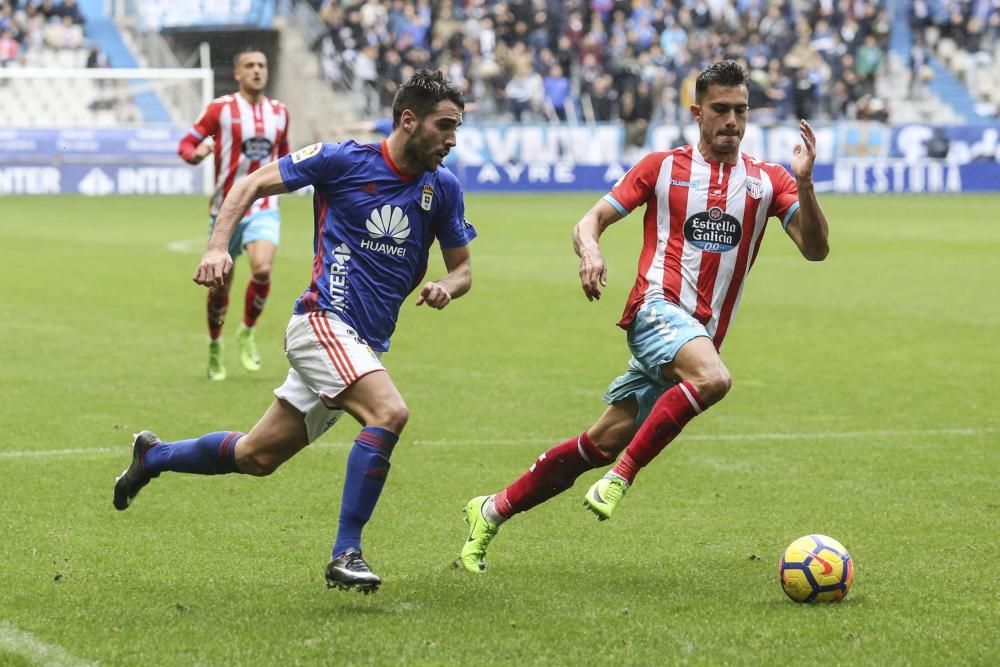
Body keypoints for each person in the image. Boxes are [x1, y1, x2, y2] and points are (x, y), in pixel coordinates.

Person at [458, 60, 830, 573]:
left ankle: (491, 510)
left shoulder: (769, 181)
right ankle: (622, 478)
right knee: (713, 378)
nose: (732, 122)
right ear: (697, 112)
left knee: (597, 443)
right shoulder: (661, 168)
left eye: (741, 111)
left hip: (695, 336)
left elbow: (815, 250)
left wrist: (806, 184)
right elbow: (590, 220)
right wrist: (590, 251)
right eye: (720, 110)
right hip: (654, 311)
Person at [117, 69, 475, 593]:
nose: (452, 139)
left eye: (457, 128)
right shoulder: (342, 160)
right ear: (408, 119)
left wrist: (449, 284)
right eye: (445, 126)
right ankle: (346, 554)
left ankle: (154, 455)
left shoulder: (442, 189)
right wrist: (218, 246)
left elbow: (464, 268)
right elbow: (252, 182)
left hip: (361, 345)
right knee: (389, 412)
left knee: (256, 457)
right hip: (321, 323)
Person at [177, 48, 290, 381]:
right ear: (238, 73)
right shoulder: (220, 110)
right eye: (250, 66)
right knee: (220, 289)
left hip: (264, 206)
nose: (257, 70)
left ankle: (247, 331)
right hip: (225, 210)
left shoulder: (280, 113)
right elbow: (187, 143)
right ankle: (215, 345)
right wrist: (196, 154)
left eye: (262, 65)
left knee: (263, 268)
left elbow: (284, 157)